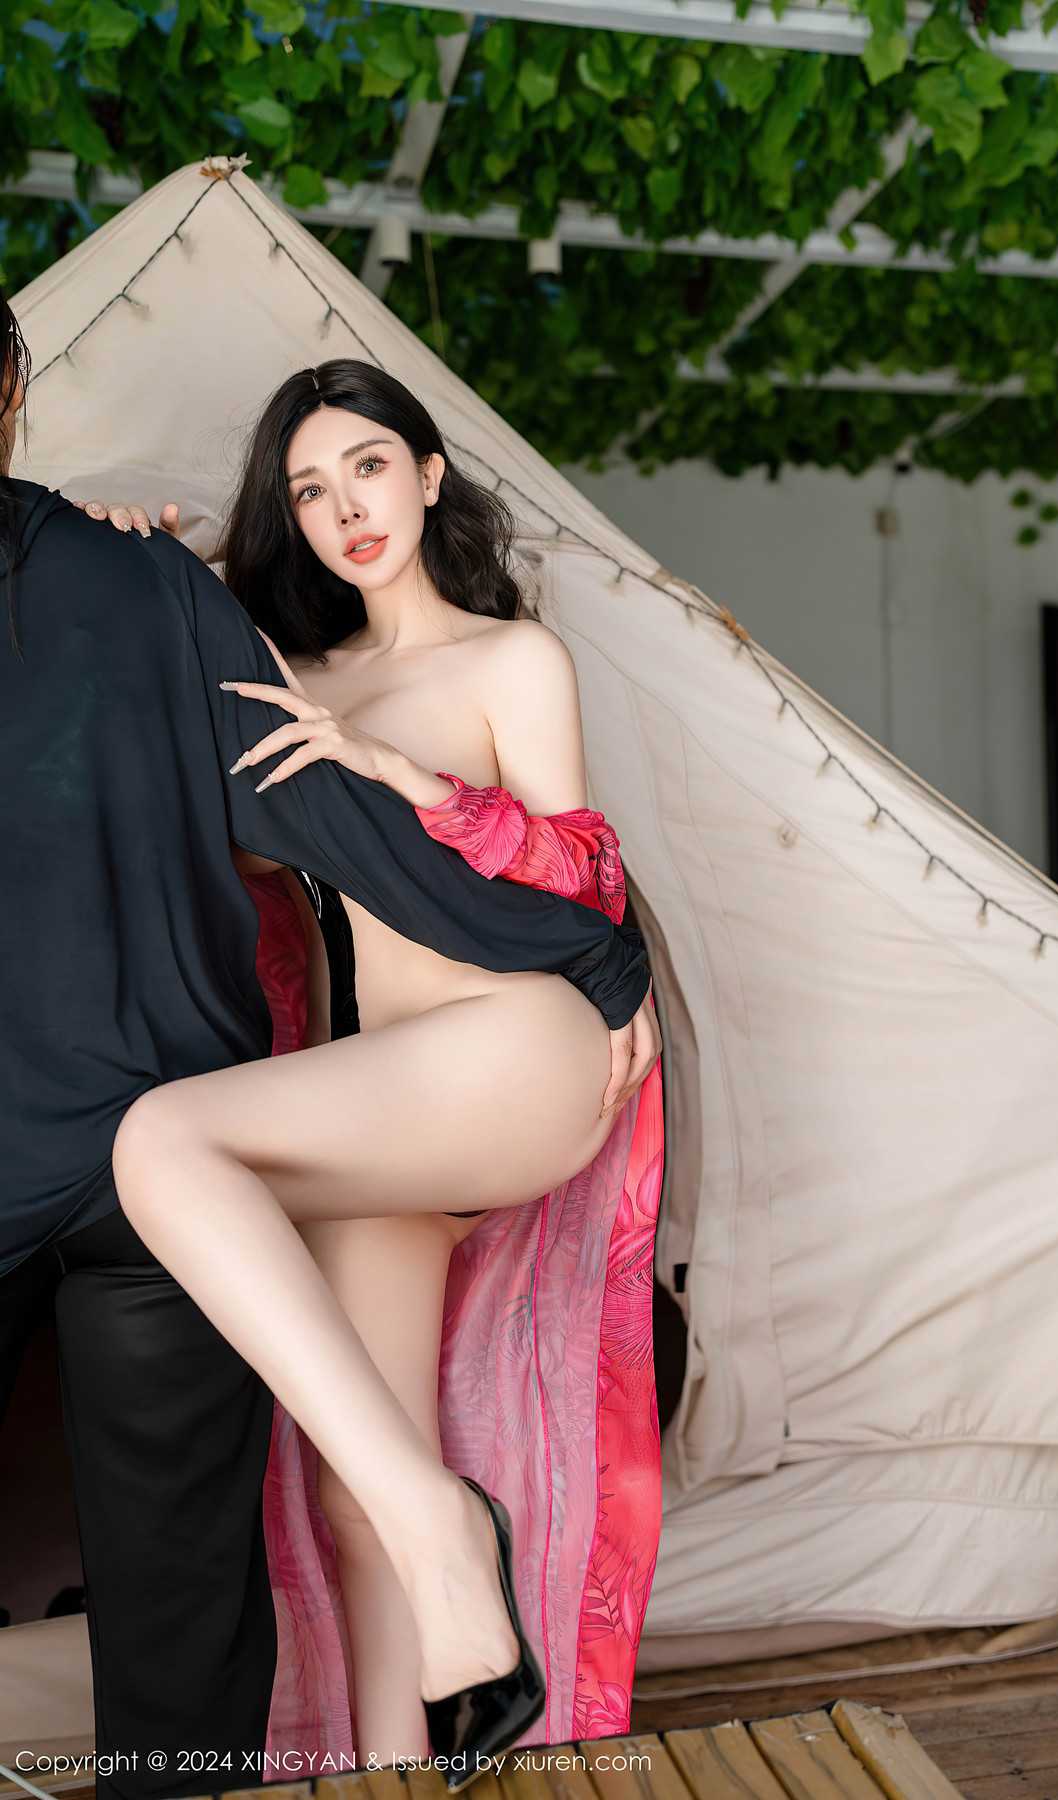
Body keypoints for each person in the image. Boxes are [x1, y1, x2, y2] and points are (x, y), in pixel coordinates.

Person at [0, 297, 657, 1800]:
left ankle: (450, 1530)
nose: (346, 507)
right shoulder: (278, 659)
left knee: (163, 1139)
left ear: (429, 474)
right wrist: (117, 548)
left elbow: (579, 872)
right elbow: (147, 697)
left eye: (368, 467)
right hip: (372, 1101)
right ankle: (395, 1756)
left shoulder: (510, 661)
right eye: (309, 487)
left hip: (510, 1041)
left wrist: (415, 787)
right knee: (356, 1480)